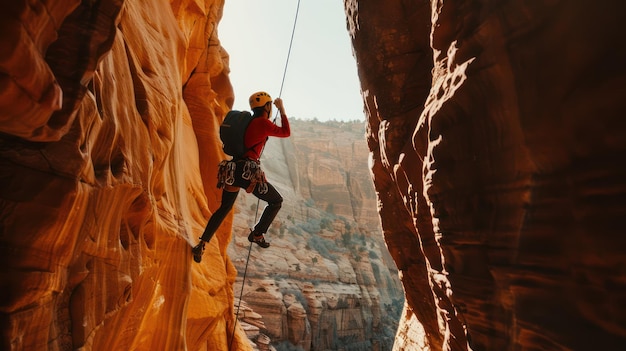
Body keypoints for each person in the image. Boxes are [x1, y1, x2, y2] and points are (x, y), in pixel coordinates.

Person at [192, 91, 291, 263]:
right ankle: (257, 234)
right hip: (248, 171)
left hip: (233, 170)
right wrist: (281, 109)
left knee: (224, 208)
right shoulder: (263, 123)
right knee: (276, 201)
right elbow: (285, 132)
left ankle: (201, 245)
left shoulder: (248, 122)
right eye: (271, 106)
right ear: (267, 106)